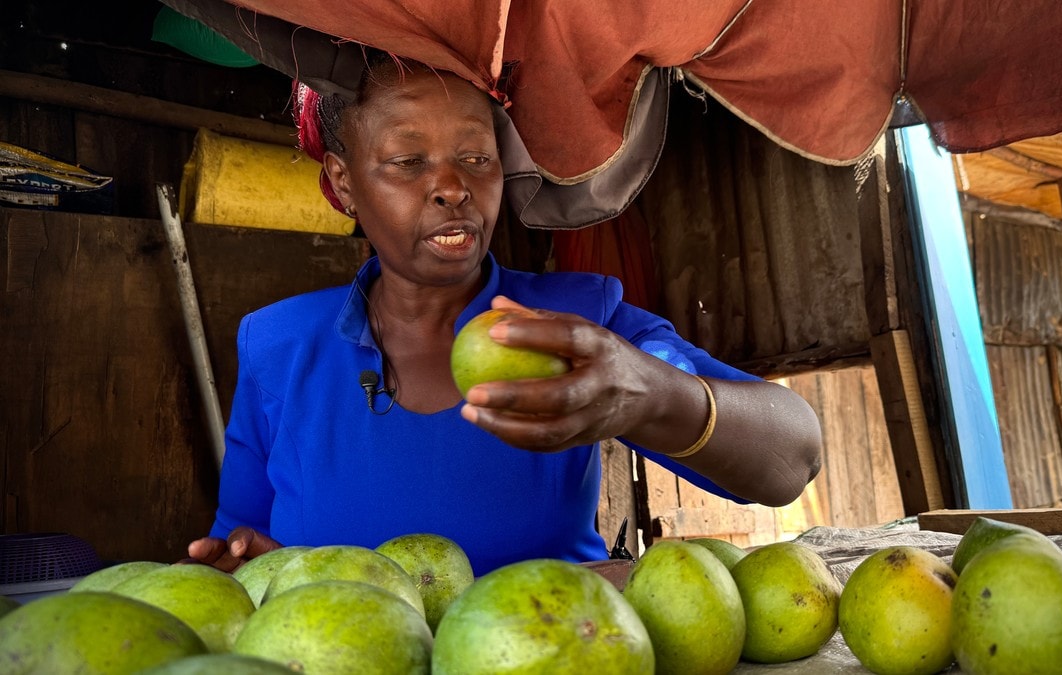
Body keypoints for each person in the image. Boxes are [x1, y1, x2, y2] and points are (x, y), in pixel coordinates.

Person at [186, 55, 822, 576]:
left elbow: (794, 455)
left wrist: (651, 392)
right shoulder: (277, 345)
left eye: (477, 157)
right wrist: (252, 569)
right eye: (408, 162)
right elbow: (242, 545)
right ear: (343, 180)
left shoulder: (573, 324)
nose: (453, 187)